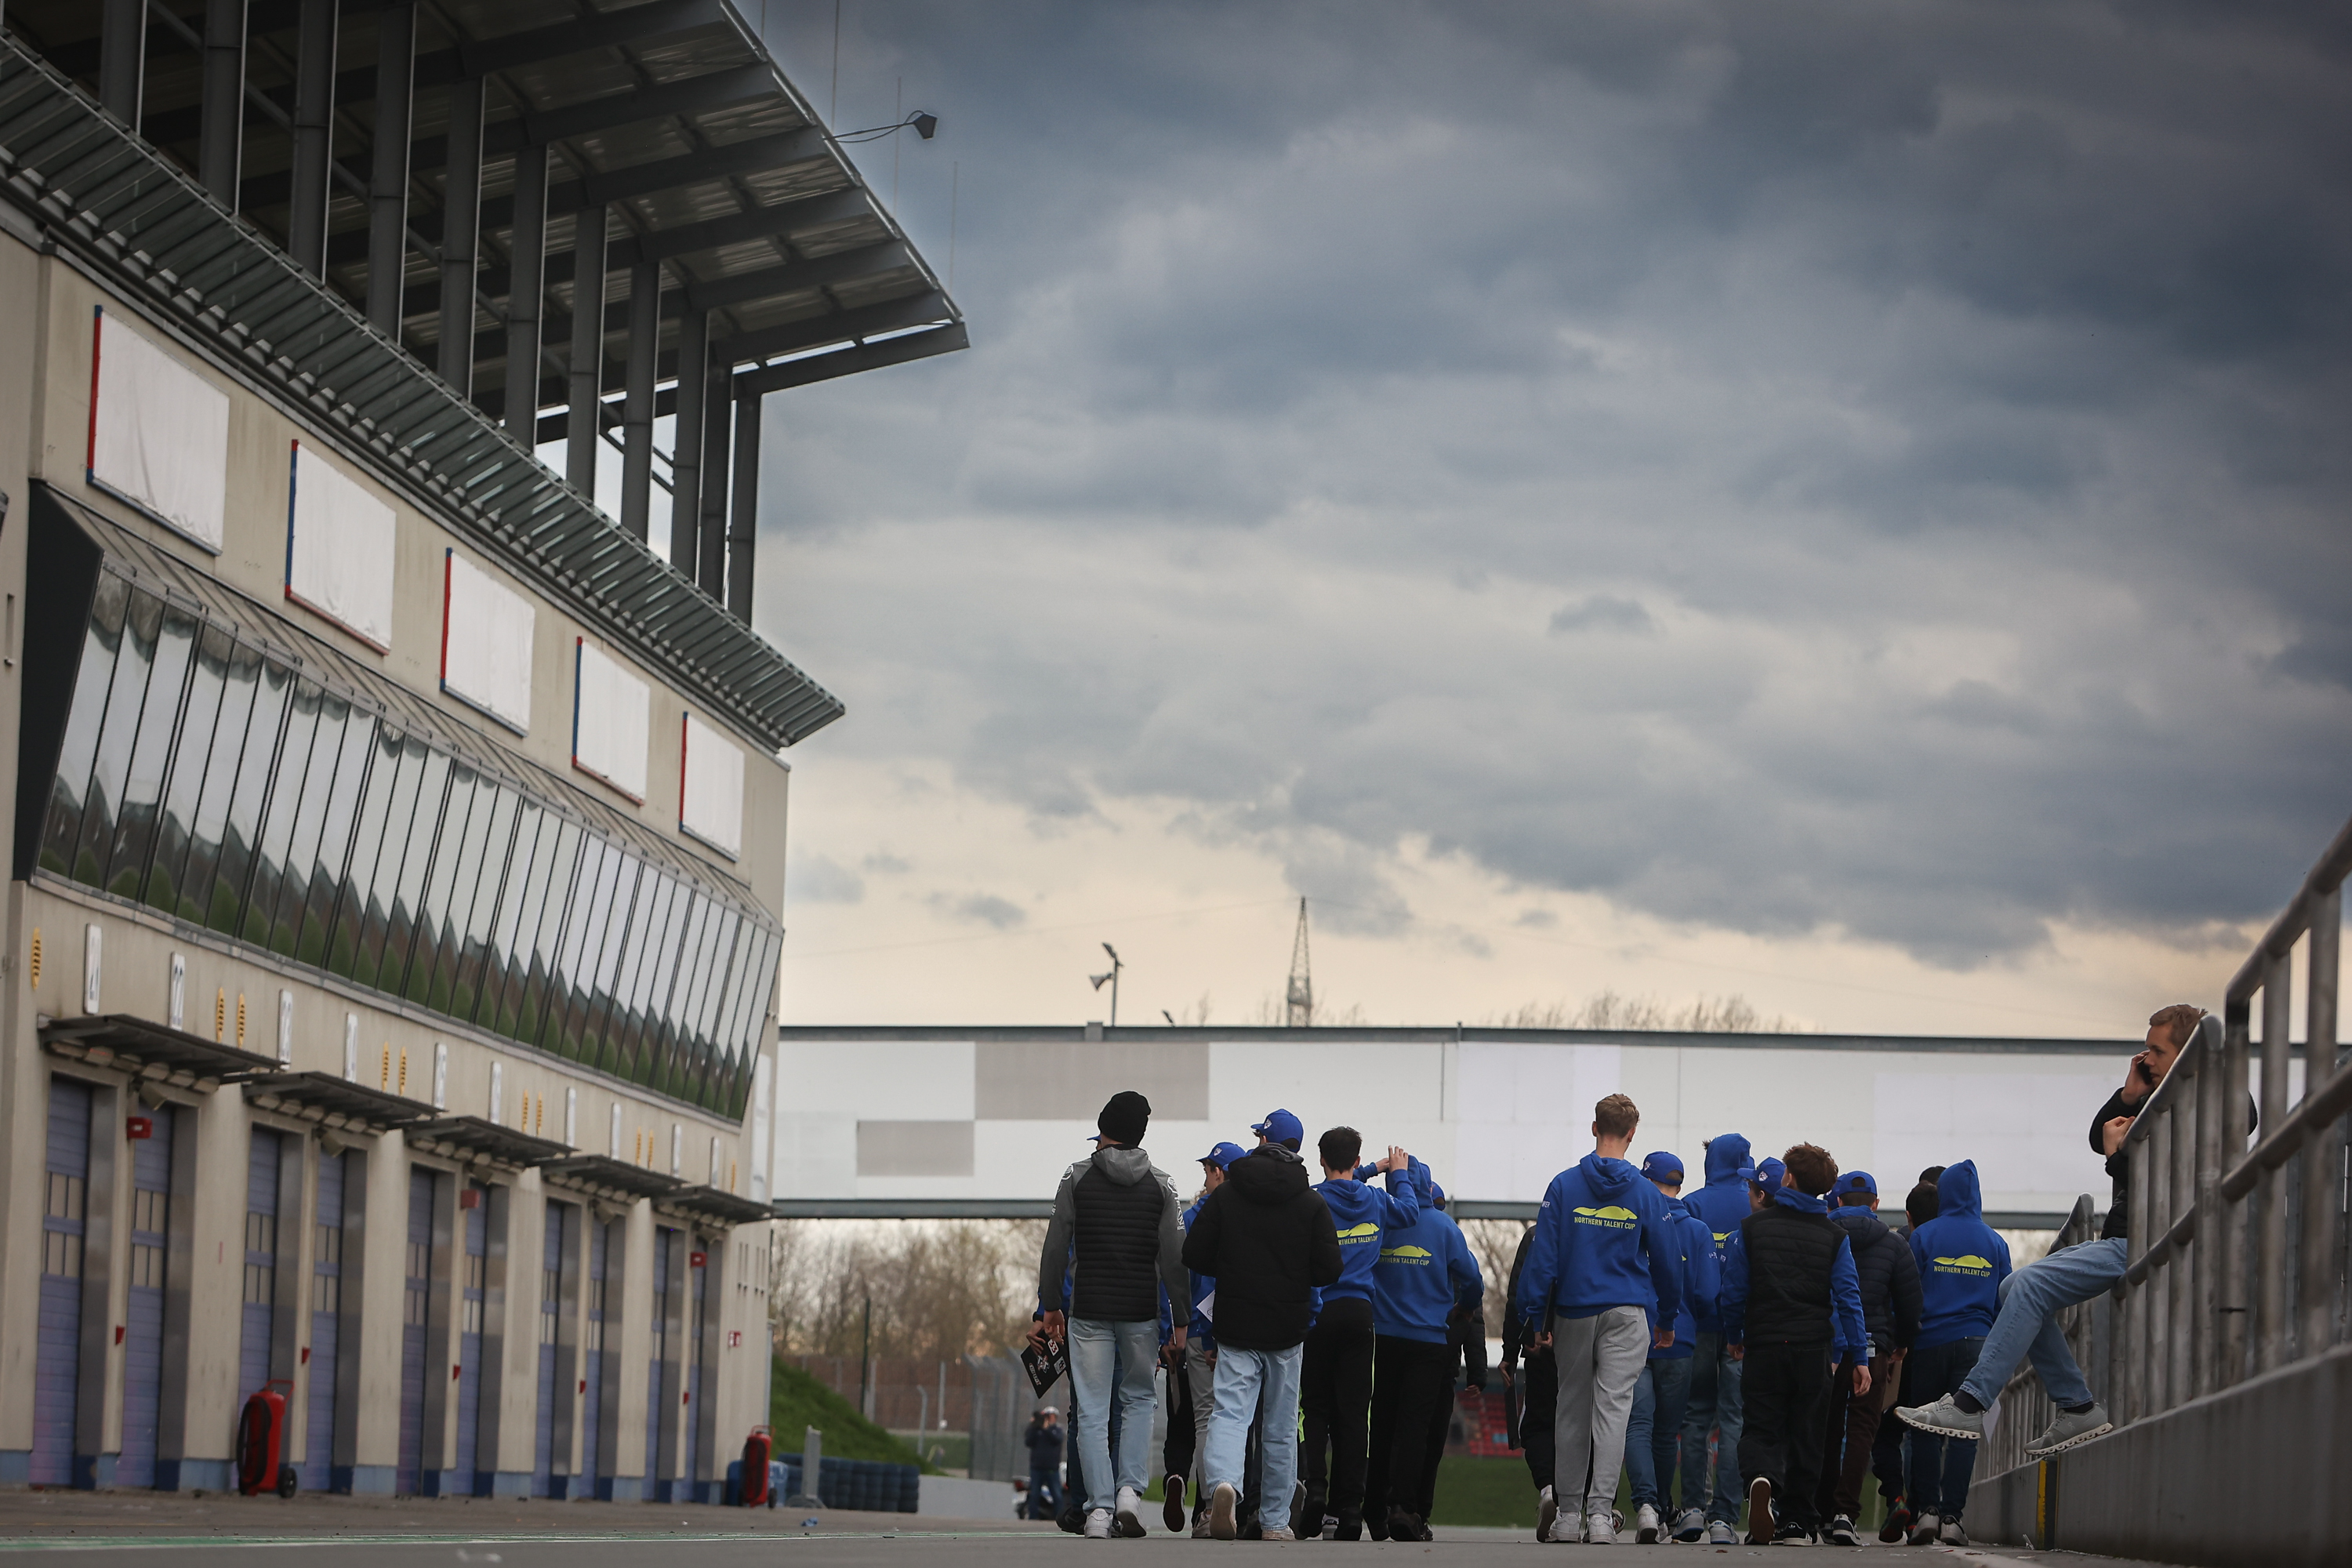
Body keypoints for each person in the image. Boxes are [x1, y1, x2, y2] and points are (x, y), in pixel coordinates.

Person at [1900, 1004, 2241, 1463]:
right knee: (2014, 1285)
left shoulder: (2203, 1099)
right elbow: (2097, 1134)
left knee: (2033, 1284)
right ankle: (2078, 1407)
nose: (2147, 1059)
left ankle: (1970, 1403)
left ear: (2187, 1054)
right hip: (2125, 1237)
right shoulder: (2158, 1099)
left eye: (2157, 1051)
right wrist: (2129, 1091)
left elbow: (2164, 1165)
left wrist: (2116, 1158)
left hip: (2151, 1240)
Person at [1515, 1093, 1683, 1546]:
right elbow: (1669, 1261)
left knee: (1570, 1409)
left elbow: (1543, 1259)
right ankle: (1599, 1516)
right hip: (1628, 1313)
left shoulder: (1564, 1186)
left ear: (1594, 1128)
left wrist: (1535, 1317)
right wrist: (1666, 1317)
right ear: (1631, 1135)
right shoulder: (1647, 1194)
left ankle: (1567, 1517)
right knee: (1614, 1413)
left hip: (1574, 1310)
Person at [1182, 1107, 1343, 1541]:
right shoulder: (1311, 1202)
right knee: (1280, 1423)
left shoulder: (1228, 1196)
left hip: (1235, 1323)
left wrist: (1233, 1265)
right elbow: (1330, 1268)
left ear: (1260, 1144)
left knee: (1231, 1414)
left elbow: (1193, 1254)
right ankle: (1274, 1520)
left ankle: (1223, 1487)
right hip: (1288, 1327)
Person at [1036, 1091, 1190, 1538]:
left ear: (1103, 1127)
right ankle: (1129, 1495)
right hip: (1141, 1311)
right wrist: (1180, 1317)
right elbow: (1174, 1257)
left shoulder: (1077, 1176)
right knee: (1139, 1400)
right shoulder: (1163, 1184)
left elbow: (1055, 1244)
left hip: (1088, 1311)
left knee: (1091, 1408)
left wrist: (1050, 1306)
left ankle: (1098, 1512)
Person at [1719, 1143, 1869, 1546]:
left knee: (1761, 1427)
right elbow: (1848, 1298)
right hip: (1813, 1347)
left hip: (1765, 1342)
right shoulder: (1835, 1237)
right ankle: (1797, 1522)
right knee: (1808, 1433)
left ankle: (1761, 1479)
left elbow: (1733, 1293)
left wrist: (1735, 1337)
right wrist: (1858, 1355)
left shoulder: (1752, 1230)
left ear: (1788, 1178)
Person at [1298, 1126, 1419, 1541]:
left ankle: (1315, 1488)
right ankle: (1350, 1508)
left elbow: (1333, 1183)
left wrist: (1365, 1168)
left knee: (1314, 1406)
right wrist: (1395, 1172)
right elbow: (1410, 1211)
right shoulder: (1377, 1200)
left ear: (1320, 1160)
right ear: (1356, 1159)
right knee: (1354, 1413)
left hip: (1318, 1312)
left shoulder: (1311, 1201)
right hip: (1359, 1314)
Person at [1891, 1160, 2009, 1545]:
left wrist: (1903, 1336)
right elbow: (2003, 1301)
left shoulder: (1924, 1236)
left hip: (1928, 1343)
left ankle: (1925, 1512)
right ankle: (1953, 1518)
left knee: (1926, 1426)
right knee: (1964, 1430)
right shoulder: (1995, 1242)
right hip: (1976, 1347)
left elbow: (1909, 1293)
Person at [1364, 1158, 1483, 1541]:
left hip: (1384, 1337)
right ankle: (1405, 1507)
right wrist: (1462, 1308)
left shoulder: (1384, 1221)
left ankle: (1373, 1509)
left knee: (1382, 1425)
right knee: (1416, 1427)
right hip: (1430, 1340)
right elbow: (1474, 1282)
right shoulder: (1445, 1228)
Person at [1813, 1171, 1921, 1546]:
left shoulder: (1820, 1234)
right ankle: (1846, 1514)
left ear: (1837, 1201)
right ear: (1875, 1204)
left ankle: (1822, 1514)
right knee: (1862, 1428)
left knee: (1826, 1428)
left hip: (1825, 1347)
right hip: (1874, 1349)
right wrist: (1901, 1343)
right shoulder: (1894, 1245)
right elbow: (1910, 1302)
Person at [1625, 1150, 1718, 1544]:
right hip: (1679, 1341)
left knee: (1637, 1426)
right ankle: (1664, 1509)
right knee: (1666, 1434)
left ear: (1647, 1181)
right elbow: (1708, 1292)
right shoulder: (1697, 1230)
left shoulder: (1634, 1221)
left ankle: (1646, 1506)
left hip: (1633, 1337)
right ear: (1680, 1185)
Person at [1673, 1133, 1753, 1546]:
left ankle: (1691, 1509)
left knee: (1695, 1419)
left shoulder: (1694, 1204)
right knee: (1736, 1421)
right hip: (1741, 1331)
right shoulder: (1755, 1206)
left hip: (1699, 1325)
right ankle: (1724, 1517)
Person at [1170, 1141, 1243, 1534]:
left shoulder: (1195, 1217)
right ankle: (1236, 1502)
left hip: (1200, 1331)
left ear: (1219, 1172)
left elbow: (1181, 1281)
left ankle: (1206, 1506)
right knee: (1237, 1420)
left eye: (1208, 1171)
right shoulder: (1244, 1213)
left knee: (1205, 1422)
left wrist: (1176, 1329)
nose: (1204, 1178)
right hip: (1239, 1332)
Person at [1871, 1178, 1941, 1542]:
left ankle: (1896, 1497)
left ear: (1909, 1216)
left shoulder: (1901, 1245)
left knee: (1886, 1432)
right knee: (1927, 1431)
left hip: (1903, 1353)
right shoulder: (1955, 1243)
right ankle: (1923, 1512)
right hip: (1940, 1352)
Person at [1499, 1221, 1556, 1538]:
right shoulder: (1592, 1230)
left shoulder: (1536, 1236)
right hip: (1582, 1343)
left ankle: (1548, 1488)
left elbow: (1517, 1295)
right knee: (1585, 1424)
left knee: (1536, 1425)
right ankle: (1597, 1506)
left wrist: (1510, 1350)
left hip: (1539, 1344)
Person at [1025, 1407, 1065, 1519]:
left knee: (1057, 1495)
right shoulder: (1036, 1430)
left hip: (1051, 1468)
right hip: (1037, 1468)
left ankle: (1059, 1518)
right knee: (1034, 1494)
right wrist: (1034, 1426)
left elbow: (1057, 1440)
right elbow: (1029, 1442)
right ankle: (1032, 1518)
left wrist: (1047, 1429)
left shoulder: (1056, 1430)